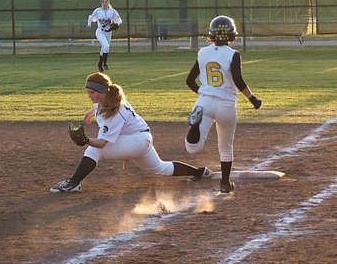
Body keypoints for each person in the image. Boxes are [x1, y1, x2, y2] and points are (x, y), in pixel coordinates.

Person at [50, 72, 212, 193]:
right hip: (140, 139)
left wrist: (85, 140)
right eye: (88, 92)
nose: (89, 95)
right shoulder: (111, 98)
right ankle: (200, 172)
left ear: (102, 91)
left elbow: (102, 143)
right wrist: (91, 113)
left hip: (137, 141)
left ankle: (73, 183)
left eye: (92, 92)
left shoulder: (114, 111)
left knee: (94, 149)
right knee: (160, 167)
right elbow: (101, 109)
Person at [184, 15, 262, 194]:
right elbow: (239, 81)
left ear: (211, 34)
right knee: (225, 147)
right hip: (226, 105)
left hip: (203, 103)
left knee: (192, 148)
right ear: (231, 35)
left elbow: (189, 80)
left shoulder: (202, 52)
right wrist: (253, 99)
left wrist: (205, 94)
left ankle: (193, 126)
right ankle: (225, 183)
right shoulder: (233, 54)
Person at [86, 0, 122, 72]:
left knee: (105, 48)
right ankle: (104, 64)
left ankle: (100, 64)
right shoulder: (98, 11)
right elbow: (91, 17)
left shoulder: (112, 11)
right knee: (106, 46)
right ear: (101, 3)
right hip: (100, 31)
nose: (105, 3)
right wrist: (89, 24)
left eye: (106, 2)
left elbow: (119, 21)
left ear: (108, 3)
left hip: (108, 32)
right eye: (103, 2)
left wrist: (115, 25)